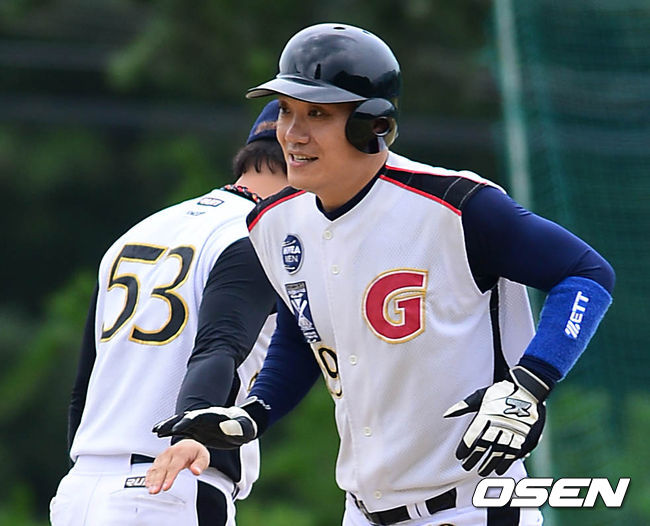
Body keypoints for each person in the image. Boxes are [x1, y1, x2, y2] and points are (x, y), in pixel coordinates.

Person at [153, 23, 615, 526]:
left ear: (372, 125)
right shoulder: (274, 222)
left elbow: (586, 275)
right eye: (285, 110)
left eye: (317, 114)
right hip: (361, 510)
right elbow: (302, 331)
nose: (293, 133)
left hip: (472, 507)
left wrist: (529, 385)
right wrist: (254, 412)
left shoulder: (456, 205)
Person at [50, 100, 287, 526]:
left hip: (81, 490)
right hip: (169, 483)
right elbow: (218, 348)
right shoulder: (256, 234)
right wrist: (191, 431)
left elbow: (82, 386)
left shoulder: (142, 230)